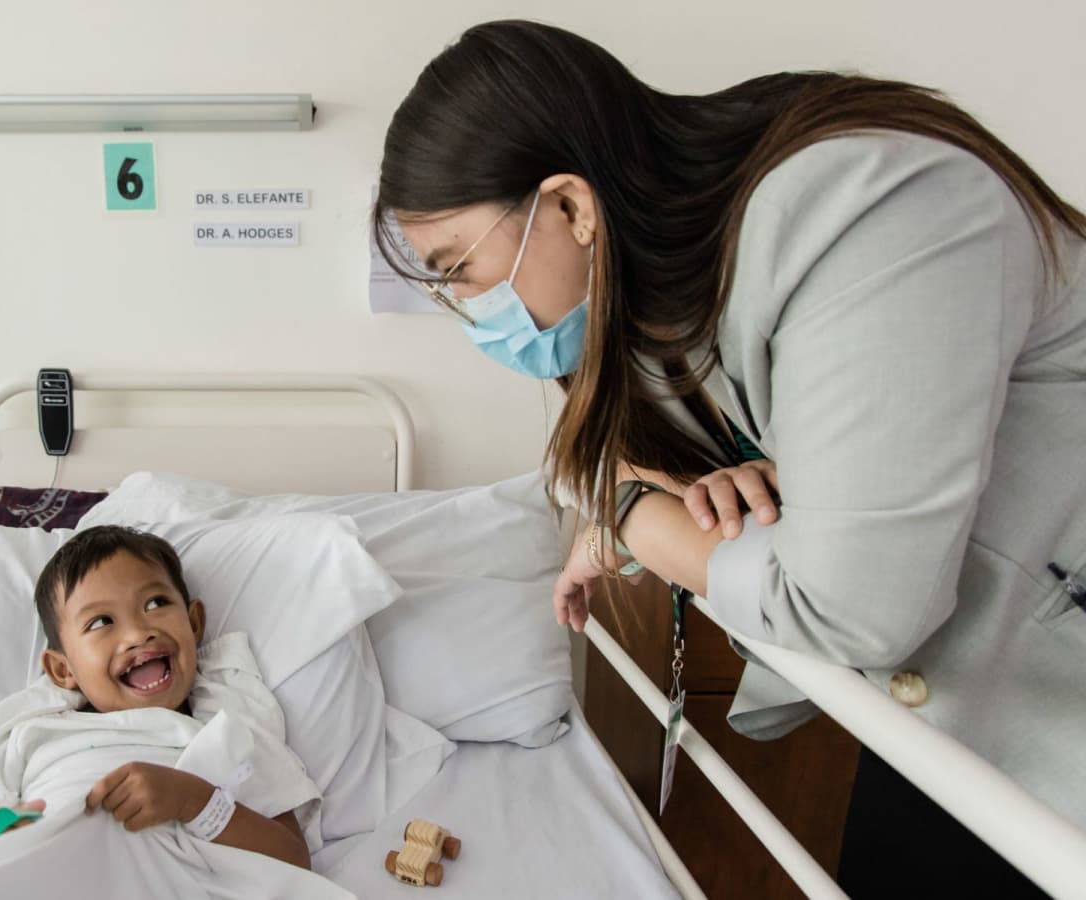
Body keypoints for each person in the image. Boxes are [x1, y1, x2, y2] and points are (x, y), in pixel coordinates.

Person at [372, 19, 1086, 898]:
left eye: (460, 270)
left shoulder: (870, 214)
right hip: (956, 718)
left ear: (569, 207)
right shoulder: (658, 317)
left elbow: (848, 611)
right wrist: (677, 496)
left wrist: (629, 510)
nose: (465, 308)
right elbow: (712, 478)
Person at [0, 525, 315, 871]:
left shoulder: (226, 730)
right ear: (63, 670)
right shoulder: (31, 736)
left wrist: (191, 800)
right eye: (101, 622)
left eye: (156, 603)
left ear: (194, 624)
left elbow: (294, 862)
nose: (139, 633)